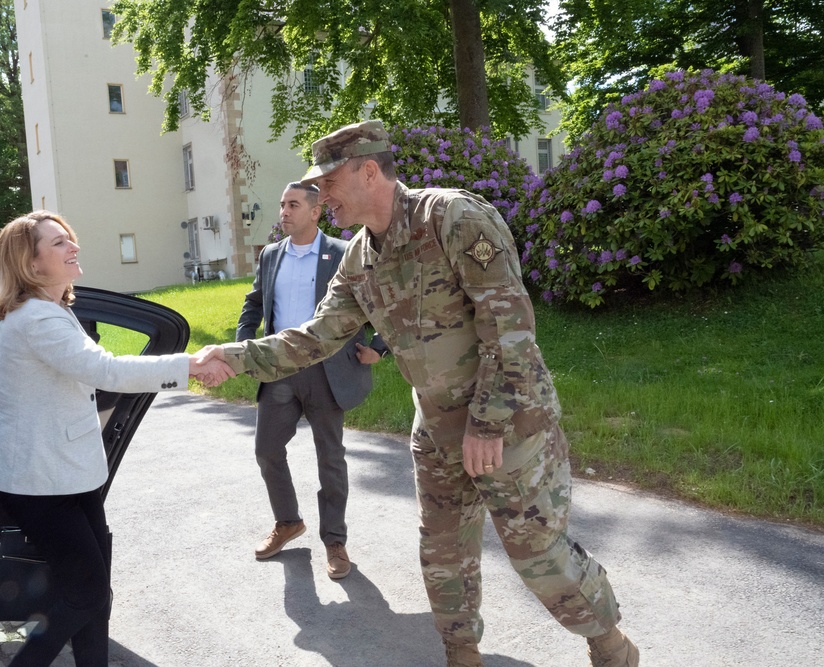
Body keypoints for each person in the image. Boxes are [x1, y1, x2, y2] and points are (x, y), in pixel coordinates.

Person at [197, 121, 639, 667]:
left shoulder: (453, 218)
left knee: (537, 555)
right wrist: (232, 357)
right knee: (443, 557)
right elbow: (316, 338)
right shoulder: (357, 260)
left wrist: (486, 424)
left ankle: (610, 644)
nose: (321, 196)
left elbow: (510, 327)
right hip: (435, 429)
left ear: (368, 172)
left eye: (328, 183)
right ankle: (462, 655)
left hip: (510, 423)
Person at [0, 210, 232, 667]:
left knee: (95, 595)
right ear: (31, 263)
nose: (73, 246)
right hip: (42, 483)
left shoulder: (53, 310)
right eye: (58, 243)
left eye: (70, 238)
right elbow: (106, 370)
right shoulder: (37, 319)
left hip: (67, 475)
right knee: (85, 595)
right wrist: (189, 364)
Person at [237, 181, 388, 579]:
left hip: (328, 369)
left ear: (315, 211)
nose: (283, 212)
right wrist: (243, 345)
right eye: (282, 204)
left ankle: (335, 542)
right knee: (267, 449)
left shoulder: (342, 253)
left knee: (330, 460)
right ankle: (287, 522)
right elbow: (254, 302)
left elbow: (381, 299)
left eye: (292, 205)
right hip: (280, 369)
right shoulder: (270, 255)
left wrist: (380, 346)